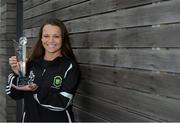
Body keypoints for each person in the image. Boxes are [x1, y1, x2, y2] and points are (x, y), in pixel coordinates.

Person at [6, 18, 80, 122]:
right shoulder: (31, 64)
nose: (50, 41)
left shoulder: (69, 67)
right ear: (41, 38)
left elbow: (62, 102)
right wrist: (17, 73)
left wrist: (36, 90)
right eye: (46, 36)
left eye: (56, 36)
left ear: (63, 39)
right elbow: (15, 95)